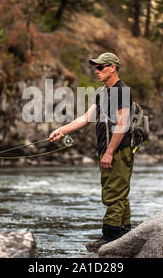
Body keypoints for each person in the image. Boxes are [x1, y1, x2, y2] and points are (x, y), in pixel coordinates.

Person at [48, 52, 134, 252]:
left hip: (118, 150)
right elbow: (86, 118)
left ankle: (110, 238)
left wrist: (110, 152)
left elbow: (122, 125)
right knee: (118, 193)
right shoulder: (103, 93)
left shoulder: (122, 92)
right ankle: (124, 233)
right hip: (107, 149)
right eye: (95, 67)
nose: (96, 71)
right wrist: (61, 130)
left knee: (113, 194)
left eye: (101, 67)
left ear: (113, 67)